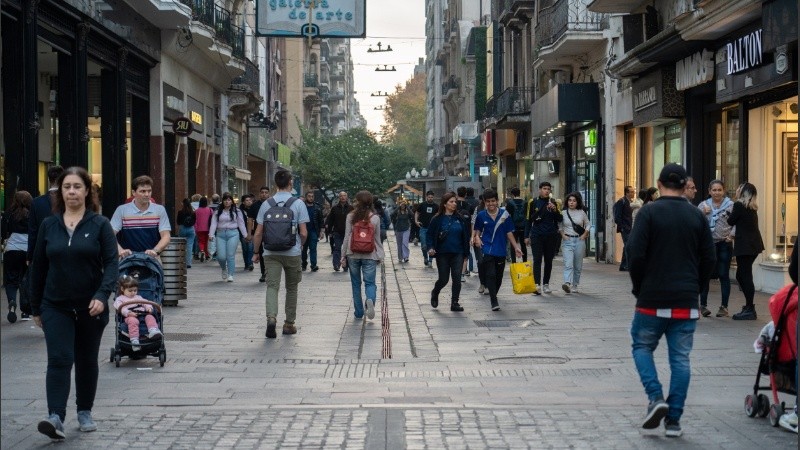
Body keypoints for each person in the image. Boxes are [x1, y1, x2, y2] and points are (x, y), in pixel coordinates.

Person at [29, 166, 119, 441]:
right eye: (66, 187)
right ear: (60, 191)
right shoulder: (49, 225)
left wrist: (102, 295)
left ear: (87, 191)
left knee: (86, 359)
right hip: (55, 305)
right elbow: (38, 268)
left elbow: (111, 264)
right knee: (59, 358)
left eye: (77, 186)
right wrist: (35, 307)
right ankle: (55, 416)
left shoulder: (100, 224)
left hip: (91, 306)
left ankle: (84, 411)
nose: (71, 192)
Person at [627, 163, 715, 438]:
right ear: (685, 185)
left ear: (659, 183)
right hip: (685, 299)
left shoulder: (648, 212)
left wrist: (639, 287)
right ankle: (674, 420)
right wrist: (696, 289)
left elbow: (634, 254)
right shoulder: (697, 215)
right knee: (680, 359)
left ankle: (656, 397)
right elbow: (709, 259)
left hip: (652, 297)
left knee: (642, 346)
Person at [251, 170, 309, 338]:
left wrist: (256, 252)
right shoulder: (298, 204)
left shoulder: (266, 204)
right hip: (292, 252)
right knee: (292, 288)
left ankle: (271, 318)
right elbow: (303, 233)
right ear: (290, 182)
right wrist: (300, 245)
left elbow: (258, 233)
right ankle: (289, 324)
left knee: (272, 286)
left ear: (275, 184)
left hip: (270, 252)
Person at [472, 189, 523, 311]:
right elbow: (477, 230)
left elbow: (509, 232)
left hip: (500, 249)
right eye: (488, 201)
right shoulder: (481, 215)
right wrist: (477, 237)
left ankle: (494, 293)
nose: (491, 204)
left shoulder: (505, 215)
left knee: (499, 277)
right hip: (487, 249)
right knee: (491, 274)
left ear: (497, 201)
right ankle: (493, 300)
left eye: (493, 201)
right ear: (484, 202)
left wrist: (516, 247)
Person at [340, 190, 384, 320]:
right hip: (370, 254)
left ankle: (358, 312)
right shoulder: (375, 218)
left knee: (355, 283)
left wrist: (343, 255)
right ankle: (370, 299)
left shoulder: (351, 216)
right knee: (370, 283)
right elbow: (377, 239)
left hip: (353, 253)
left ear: (358, 202)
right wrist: (380, 255)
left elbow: (347, 237)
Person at [727, 182, 765, 320]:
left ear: (743, 192)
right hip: (753, 245)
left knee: (745, 276)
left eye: (739, 188)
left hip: (745, 246)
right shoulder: (751, 207)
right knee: (741, 275)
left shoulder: (739, 205)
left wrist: (727, 214)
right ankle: (749, 306)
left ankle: (750, 308)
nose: (737, 190)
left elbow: (731, 221)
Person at [427, 192, 470, 312]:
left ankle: (454, 302)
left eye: (455, 201)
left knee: (457, 278)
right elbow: (429, 235)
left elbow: (465, 235)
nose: (454, 204)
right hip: (442, 253)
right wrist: (430, 247)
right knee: (444, 279)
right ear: (445, 204)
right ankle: (435, 292)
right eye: (451, 202)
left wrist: (466, 253)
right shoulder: (437, 219)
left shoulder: (460, 219)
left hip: (458, 253)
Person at [110, 175, 171, 260]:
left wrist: (155, 250)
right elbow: (109, 234)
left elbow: (166, 236)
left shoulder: (159, 210)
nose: (147, 194)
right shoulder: (122, 210)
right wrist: (120, 250)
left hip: (152, 259)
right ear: (134, 192)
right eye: (142, 191)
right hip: (127, 259)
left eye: (149, 191)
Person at [698, 180, 735, 318]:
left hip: (724, 243)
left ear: (724, 191)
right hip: (708, 245)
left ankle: (724, 307)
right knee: (705, 275)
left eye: (719, 190)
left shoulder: (730, 205)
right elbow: (695, 221)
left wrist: (732, 236)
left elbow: (737, 222)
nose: (717, 192)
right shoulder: (703, 205)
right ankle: (703, 306)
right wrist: (703, 212)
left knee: (723, 274)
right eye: (714, 190)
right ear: (709, 191)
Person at [524, 182, 561, 294]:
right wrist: (526, 236)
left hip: (551, 235)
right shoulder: (532, 202)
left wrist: (554, 210)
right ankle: (536, 285)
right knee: (537, 260)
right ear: (540, 190)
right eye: (544, 189)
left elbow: (560, 219)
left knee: (548, 260)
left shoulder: (554, 202)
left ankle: (546, 284)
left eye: (548, 189)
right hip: (537, 235)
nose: (546, 191)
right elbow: (528, 220)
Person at [2, 190, 33, 322]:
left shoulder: (8, 214)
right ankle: (25, 312)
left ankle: (12, 302)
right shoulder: (32, 214)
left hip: (11, 250)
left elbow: (3, 232)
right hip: (27, 251)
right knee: (26, 280)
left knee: (11, 280)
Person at [113, 276, 162, 351]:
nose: (133, 293)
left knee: (150, 317)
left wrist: (148, 308)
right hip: (129, 316)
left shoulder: (138, 297)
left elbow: (145, 302)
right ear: (122, 289)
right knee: (133, 321)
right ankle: (134, 340)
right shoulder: (120, 299)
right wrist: (128, 313)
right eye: (130, 291)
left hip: (142, 314)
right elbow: (120, 307)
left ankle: (153, 330)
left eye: (135, 290)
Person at [209, 193, 249, 282]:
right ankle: (224, 268)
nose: (227, 202)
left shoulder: (237, 211)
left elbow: (241, 223)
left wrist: (245, 235)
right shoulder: (218, 211)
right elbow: (213, 223)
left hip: (233, 234)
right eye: (225, 200)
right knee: (221, 257)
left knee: (230, 255)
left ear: (231, 201)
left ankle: (231, 274)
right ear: (222, 201)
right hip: (220, 234)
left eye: (229, 200)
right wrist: (211, 234)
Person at [28, 165, 64, 262]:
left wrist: (30, 256)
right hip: (65, 252)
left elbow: (32, 232)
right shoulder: (70, 201)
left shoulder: (36, 202)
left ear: (49, 180)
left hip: (42, 252)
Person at [559, 192, 591, 294]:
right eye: (570, 200)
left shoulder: (581, 212)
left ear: (577, 202)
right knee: (568, 263)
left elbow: (588, 224)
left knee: (577, 265)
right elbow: (559, 226)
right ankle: (567, 283)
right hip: (567, 241)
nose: (571, 203)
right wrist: (563, 235)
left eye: (574, 201)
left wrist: (585, 234)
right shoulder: (563, 213)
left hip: (579, 241)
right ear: (567, 202)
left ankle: (575, 285)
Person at [325, 191, 353, 272]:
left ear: (347, 197)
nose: (343, 197)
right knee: (337, 248)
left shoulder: (351, 208)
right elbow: (330, 220)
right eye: (341, 196)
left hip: (348, 232)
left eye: (344, 195)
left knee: (347, 249)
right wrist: (329, 231)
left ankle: (345, 265)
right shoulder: (334, 208)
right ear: (339, 197)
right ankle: (336, 264)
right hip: (337, 232)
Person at [249, 186, 271, 281]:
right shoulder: (254, 205)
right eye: (262, 192)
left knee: (270, 253)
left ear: (269, 194)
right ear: (259, 194)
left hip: (271, 232)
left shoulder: (272, 204)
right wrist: (249, 233)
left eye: (266, 192)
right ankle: (263, 273)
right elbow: (250, 220)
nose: (264, 194)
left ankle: (270, 271)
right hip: (259, 232)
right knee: (261, 252)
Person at [455, 187, 476, 279]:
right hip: (466, 232)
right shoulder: (469, 206)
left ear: (457, 193)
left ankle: (457, 271)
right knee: (465, 253)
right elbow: (472, 222)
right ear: (466, 194)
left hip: (455, 232)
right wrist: (472, 235)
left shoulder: (453, 204)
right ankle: (462, 274)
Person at [613, 185, 635, 271]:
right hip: (625, 228)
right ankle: (627, 265)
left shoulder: (631, 202)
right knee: (628, 246)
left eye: (633, 191)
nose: (633, 193)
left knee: (627, 246)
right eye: (631, 192)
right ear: (627, 193)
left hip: (630, 227)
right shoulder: (621, 201)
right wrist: (622, 227)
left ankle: (623, 265)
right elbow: (617, 216)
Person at [505, 187, 528, 264]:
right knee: (523, 245)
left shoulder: (510, 203)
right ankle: (525, 262)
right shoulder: (525, 202)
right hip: (523, 226)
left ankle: (514, 262)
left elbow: (507, 215)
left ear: (512, 194)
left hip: (513, 227)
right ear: (519, 193)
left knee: (513, 245)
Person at [302, 191, 324, 272]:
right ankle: (303, 263)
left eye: (312, 196)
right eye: (309, 196)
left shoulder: (317, 207)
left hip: (313, 231)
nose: (311, 198)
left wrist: (322, 231)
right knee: (304, 249)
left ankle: (313, 265)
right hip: (303, 230)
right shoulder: (302, 206)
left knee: (313, 248)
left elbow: (321, 220)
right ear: (306, 197)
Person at [415, 191, 438, 267]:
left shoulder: (436, 206)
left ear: (433, 197)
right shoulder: (422, 205)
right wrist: (416, 221)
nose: (430, 198)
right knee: (424, 245)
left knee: (431, 245)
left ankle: (430, 260)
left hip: (432, 229)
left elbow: (438, 215)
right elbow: (417, 212)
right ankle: (425, 257)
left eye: (432, 197)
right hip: (423, 227)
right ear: (426, 197)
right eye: (429, 197)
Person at [176, 198, 196, 269]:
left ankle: (181, 261)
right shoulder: (193, 213)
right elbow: (194, 222)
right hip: (191, 229)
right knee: (189, 246)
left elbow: (178, 222)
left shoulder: (180, 212)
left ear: (183, 204)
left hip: (182, 229)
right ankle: (188, 263)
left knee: (181, 246)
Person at [239, 194, 255, 272]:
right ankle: (246, 264)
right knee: (245, 248)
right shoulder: (240, 211)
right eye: (247, 200)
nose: (249, 202)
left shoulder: (254, 209)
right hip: (243, 232)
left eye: (250, 200)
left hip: (252, 232)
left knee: (250, 248)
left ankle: (250, 264)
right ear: (243, 202)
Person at [194, 197, 213, 262]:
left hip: (199, 228)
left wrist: (195, 228)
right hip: (208, 228)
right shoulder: (210, 210)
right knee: (206, 242)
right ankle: (207, 255)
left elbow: (195, 221)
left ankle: (202, 251)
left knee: (201, 241)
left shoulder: (197, 211)